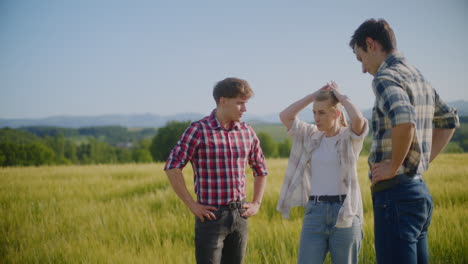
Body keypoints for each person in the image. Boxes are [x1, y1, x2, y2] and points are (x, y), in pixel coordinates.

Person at [349, 18, 459, 264]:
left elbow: (404, 119)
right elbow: (449, 120)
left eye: (361, 58)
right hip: (418, 191)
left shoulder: (385, 77)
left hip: (395, 195)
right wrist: (420, 161)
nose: (363, 69)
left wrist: (394, 165)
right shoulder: (417, 76)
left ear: (371, 44)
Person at [164, 77, 268, 264]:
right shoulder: (198, 130)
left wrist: (257, 203)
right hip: (211, 218)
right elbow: (172, 166)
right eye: (240, 103)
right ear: (223, 101)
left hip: (240, 215)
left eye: (246, 104)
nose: (245, 109)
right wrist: (191, 204)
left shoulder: (247, 132)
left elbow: (261, 169)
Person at [277, 81, 368, 264]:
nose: (316, 118)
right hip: (315, 212)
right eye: (314, 113)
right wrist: (314, 95)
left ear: (336, 113)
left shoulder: (349, 138)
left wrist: (340, 96)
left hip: (345, 212)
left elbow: (358, 119)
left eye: (321, 112)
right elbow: (285, 116)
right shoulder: (311, 135)